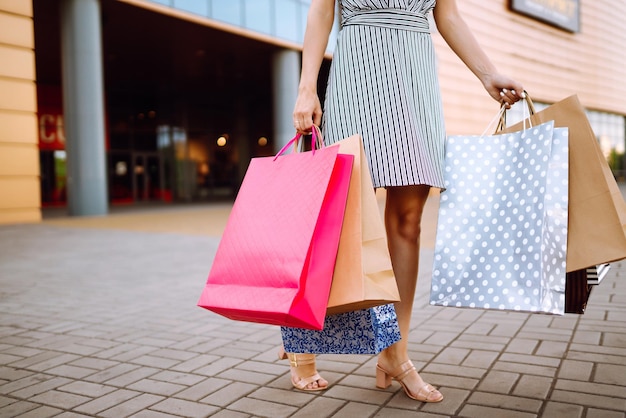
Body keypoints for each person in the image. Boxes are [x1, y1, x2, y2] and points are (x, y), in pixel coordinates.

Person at [283, 0, 524, 401]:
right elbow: (322, 10)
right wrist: (307, 87)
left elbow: (447, 15)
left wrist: (488, 74)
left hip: (415, 80)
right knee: (338, 221)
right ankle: (302, 341)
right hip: (357, 72)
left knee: (409, 222)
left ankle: (395, 355)